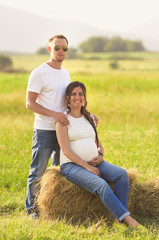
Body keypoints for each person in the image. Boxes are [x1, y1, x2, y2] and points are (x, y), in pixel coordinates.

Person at [55, 81, 141, 228]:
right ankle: (128, 219)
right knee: (101, 185)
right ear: (68, 98)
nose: (77, 97)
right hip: (72, 166)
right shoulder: (62, 120)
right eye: (74, 94)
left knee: (121, 175)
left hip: (96, 162)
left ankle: (118, 220)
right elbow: (65, 150)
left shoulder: (89, 118)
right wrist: (86, 166)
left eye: (81, 94)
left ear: (85, 97)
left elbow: (97, 141)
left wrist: (100, 154)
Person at [25, 34, 71, 218]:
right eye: (57, 47)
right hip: (44, 130)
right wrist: (54, 115)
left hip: (62, 130)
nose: (61, 51)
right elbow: (30, 103)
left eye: (64, 48)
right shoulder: (39, 73)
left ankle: (52, 208)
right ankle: (32, 211)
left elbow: (66, 102)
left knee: (60, 172)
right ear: (49, 49)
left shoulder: (65, 73)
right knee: (37, 173)